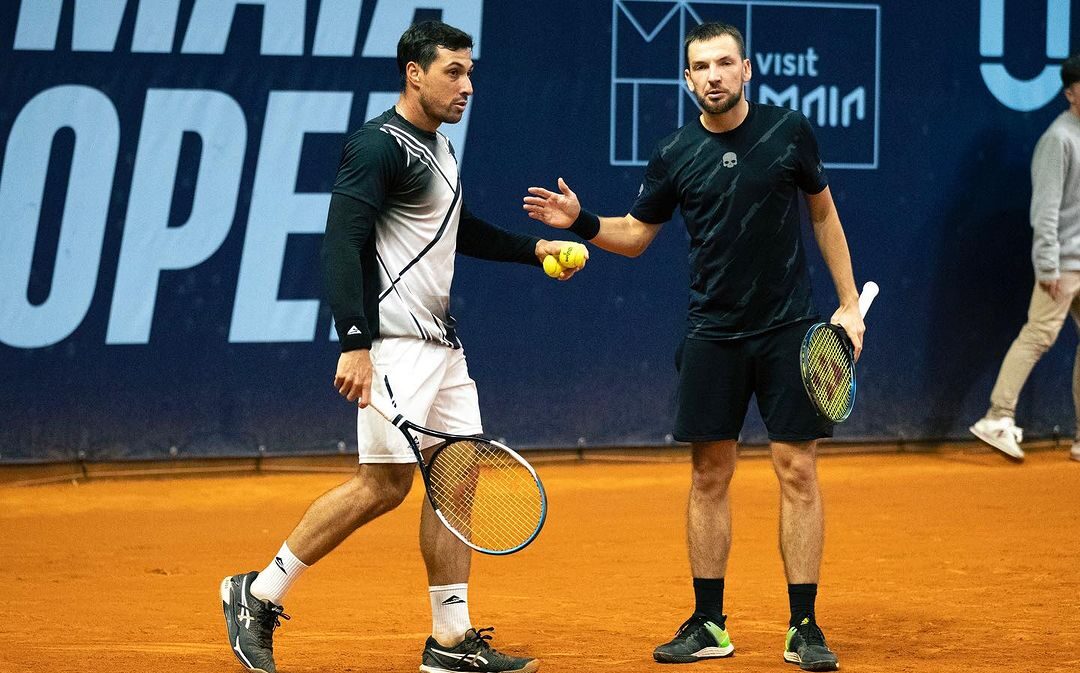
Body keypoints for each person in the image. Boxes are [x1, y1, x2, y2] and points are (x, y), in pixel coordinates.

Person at [220, 20, 583, 673]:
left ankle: (449, 640)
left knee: (455, 481)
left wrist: (535, 249)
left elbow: (456, 228)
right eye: (453, 71)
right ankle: (257, 591)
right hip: (391, 344)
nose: (467, 84)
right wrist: (353, 342)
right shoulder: (377, 146)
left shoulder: (440, 149)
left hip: (443, 344)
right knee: (382, 484)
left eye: (470, 72)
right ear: (414, 73)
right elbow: (342, 241)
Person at [523, 21, 863, 672]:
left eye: (724, 63)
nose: (713, 75)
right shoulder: (675, 153)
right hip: (713, 333)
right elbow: (635, 234)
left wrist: (848, 304)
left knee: (798, 471)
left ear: (747, 70)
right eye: (700, 66)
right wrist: (583, 223)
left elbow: (823, 212)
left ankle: (803, 625)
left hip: (789, 328)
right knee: (709, 475)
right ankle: (709, 622)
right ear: (686, 80)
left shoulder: (788, 131)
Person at [970, 54, 1080, 463]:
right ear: (1070, 93)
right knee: (1038, 336)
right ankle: (996, 417)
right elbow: (1046, 209)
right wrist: (1048, 264)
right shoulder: (1059, 139)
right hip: (1062, 264)